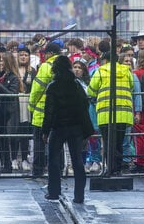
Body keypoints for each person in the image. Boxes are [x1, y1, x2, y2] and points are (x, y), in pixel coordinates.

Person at [42, 55, 95, 203]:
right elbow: (84, 106)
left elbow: (49, 111)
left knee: (53, 159)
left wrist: (45, 131)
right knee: (77, 160)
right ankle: (79, 195)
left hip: (58, 128)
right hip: (76, 127)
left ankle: (54, 192)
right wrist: (85, 129)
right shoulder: (76, 85)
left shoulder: (53, 86)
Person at [87, 49, 135, 176]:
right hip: (123, 114)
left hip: (106, 113)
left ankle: (110, 169)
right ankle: (117, 170)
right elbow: (131, 87)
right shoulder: (126, 71)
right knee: (119, 143)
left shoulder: (100, 71)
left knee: (108, 143)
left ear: (104, 60)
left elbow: (91, 90)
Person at [28, 40, 65, 177]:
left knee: (39, 141)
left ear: (50, 53)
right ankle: (58, 169)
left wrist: (31, 105)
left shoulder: (46, 67)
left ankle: (38, 170)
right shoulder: (67, 67)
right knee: (58, 141)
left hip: (42, 111)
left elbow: (37, 89)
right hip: (61, 111)